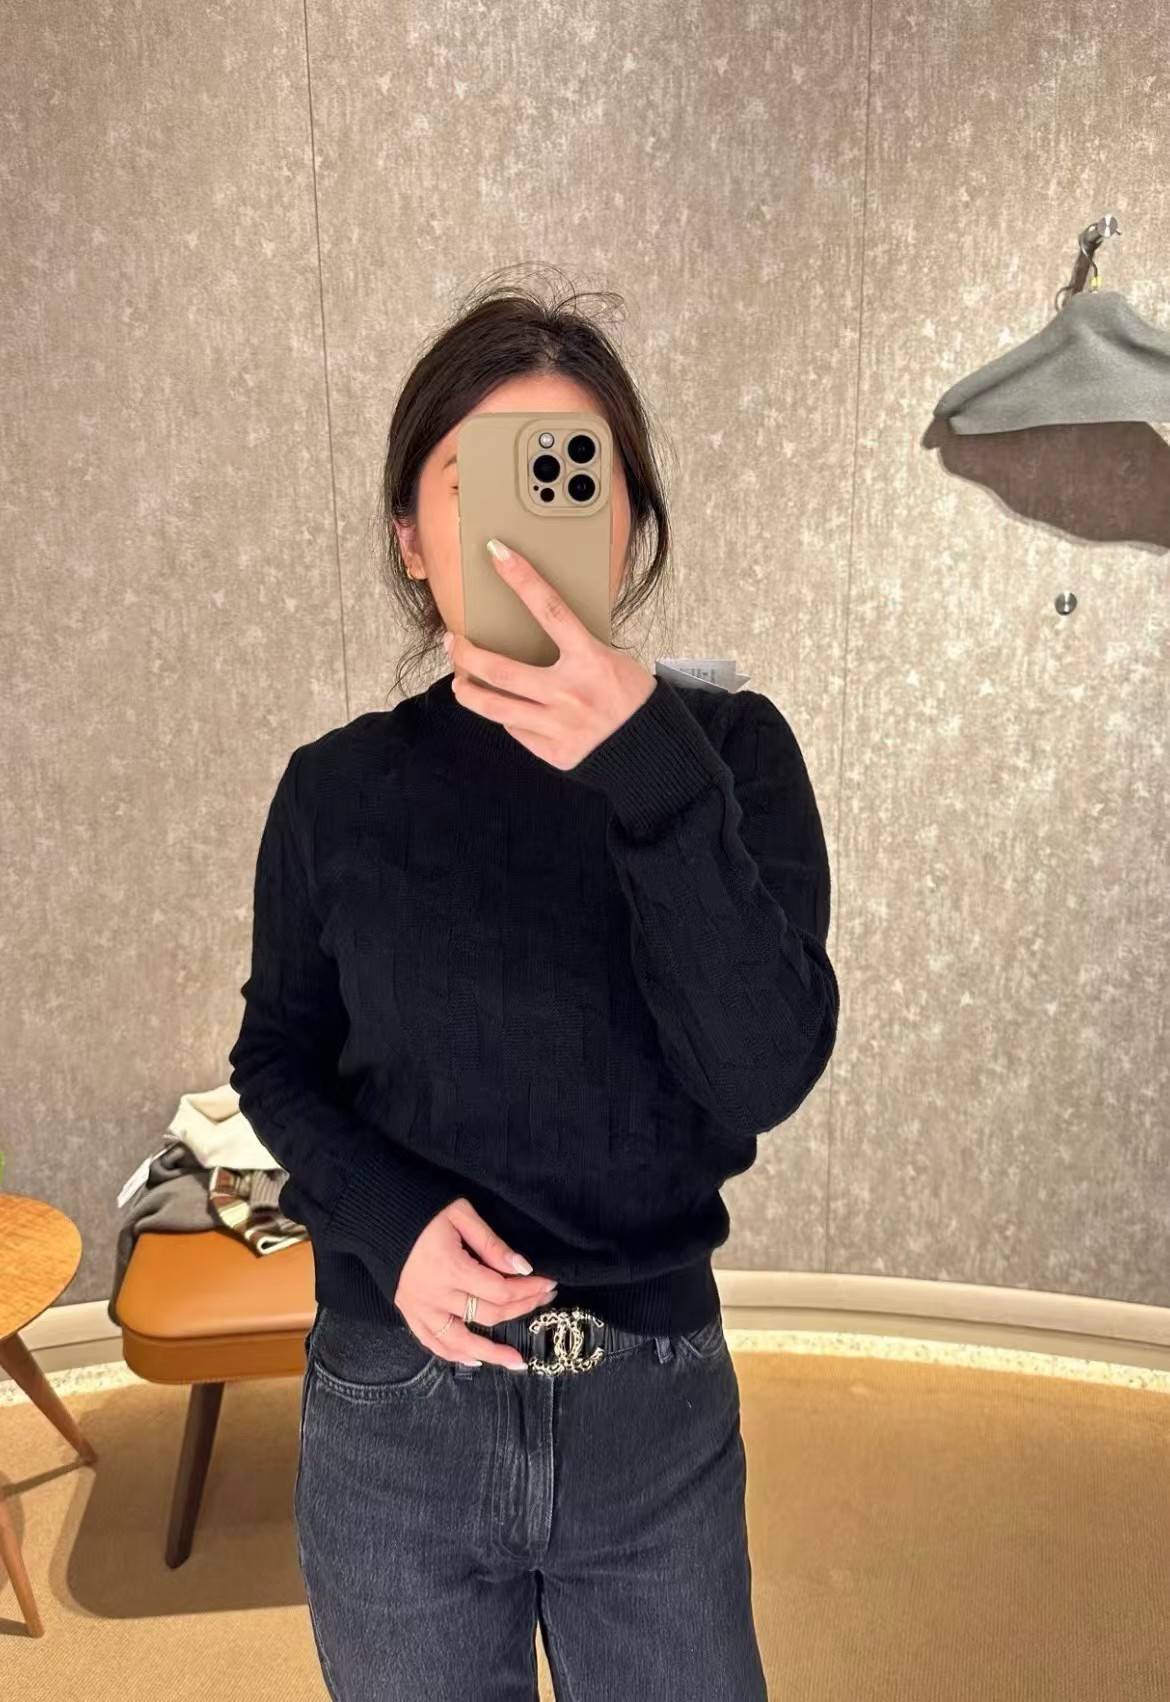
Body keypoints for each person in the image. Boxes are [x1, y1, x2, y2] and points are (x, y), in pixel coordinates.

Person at [229, 270, 838, 1701]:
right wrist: (389, 1225)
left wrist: (650, 774)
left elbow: (762, 1070)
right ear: (409, 533)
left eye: (570, 477)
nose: (522, 530)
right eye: (474, 482)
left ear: (628, 521)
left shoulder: (729, 758)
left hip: (650, 1398)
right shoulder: (336, 792)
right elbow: (276, 1060)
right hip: (393, 1401)